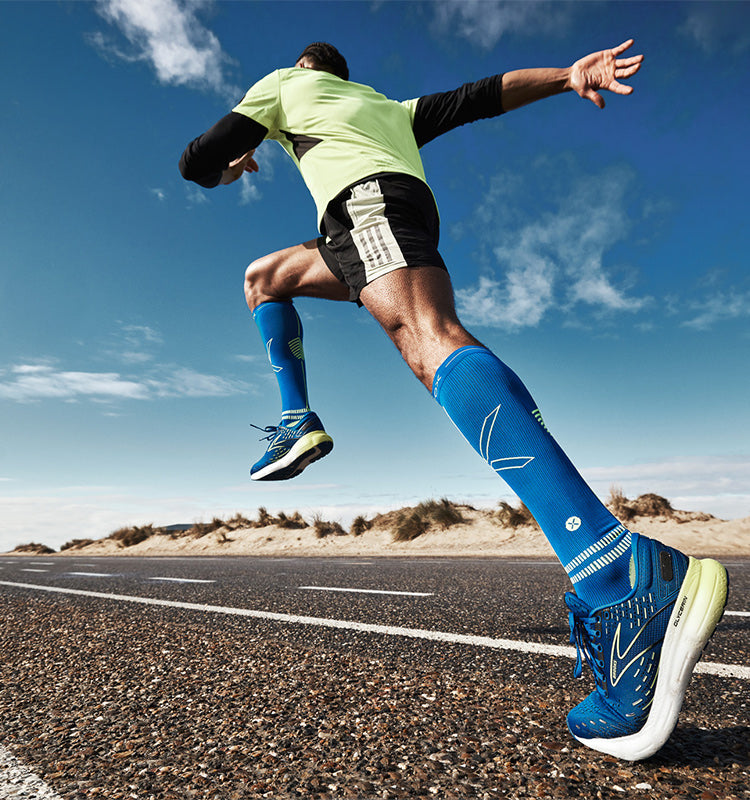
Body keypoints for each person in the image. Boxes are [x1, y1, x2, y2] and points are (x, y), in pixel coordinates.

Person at [179, 41, 728, 761]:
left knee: (428, 337)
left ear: (308, 68)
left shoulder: (285, 82)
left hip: (364, 209)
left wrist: (229, 164)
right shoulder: (389, 108)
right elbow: (481, 95)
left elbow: (198, 159)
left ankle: (616, 572)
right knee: (264, 277)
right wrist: (567, 76)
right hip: (380, 217)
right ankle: (296, 419)